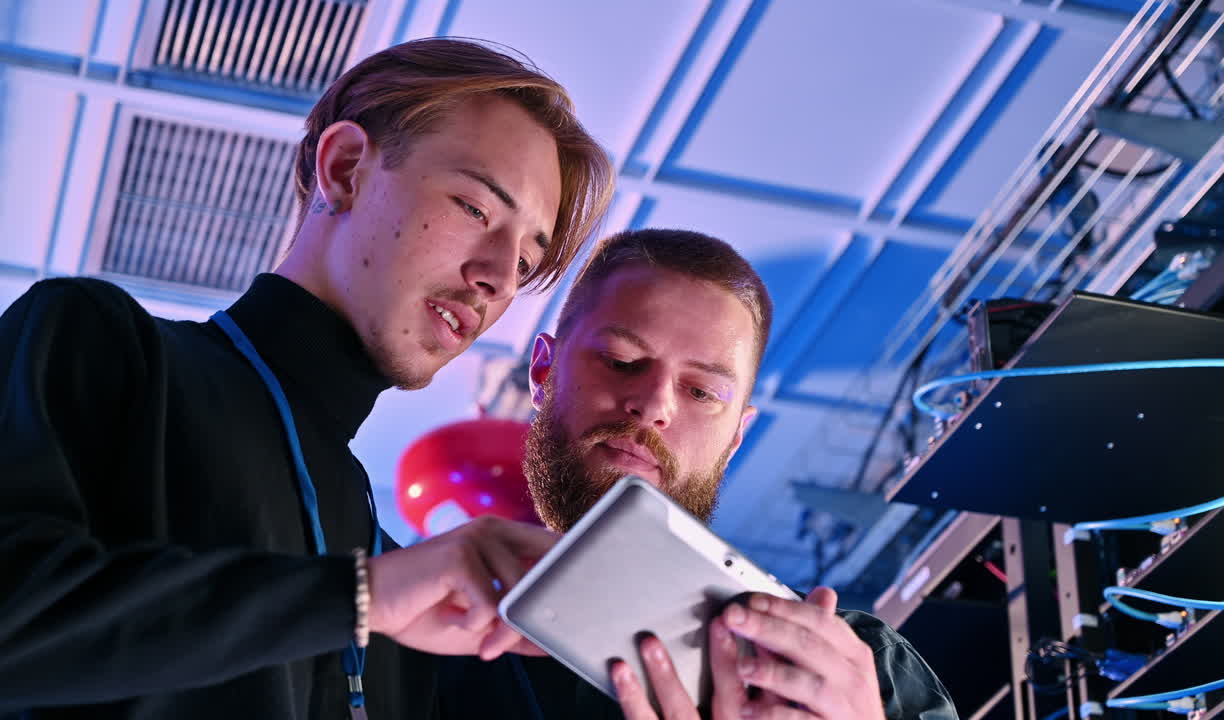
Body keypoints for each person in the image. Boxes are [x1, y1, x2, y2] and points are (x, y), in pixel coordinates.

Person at [0, 38, 612, 719]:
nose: (498, 277)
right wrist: (359, 599)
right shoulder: (103, 344)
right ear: (345, 168)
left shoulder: (400, 573)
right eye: (475, 209)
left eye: (528, 261)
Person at [439, 229, 958, 719]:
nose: (653, 405)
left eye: (702, 392)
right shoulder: (425, 636)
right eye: (621, 361)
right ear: (544, 374)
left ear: (735, 438)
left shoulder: (861, 672)